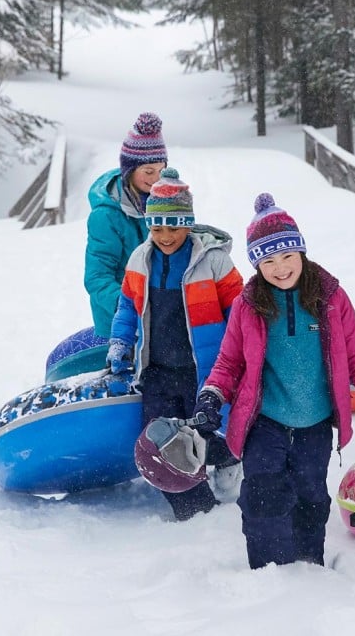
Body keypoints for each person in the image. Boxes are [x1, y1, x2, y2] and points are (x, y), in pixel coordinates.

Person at [191, 193, 355, 569]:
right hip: (266, 421)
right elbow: (229, 362)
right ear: (257, 264)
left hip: (315, 423)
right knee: (262, 495)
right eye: (268, 260)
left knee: (310, 495)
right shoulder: (248, 304)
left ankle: (308, 568)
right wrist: (211, 396)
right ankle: (269, 572)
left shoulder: (331, 298)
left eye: (287, 256)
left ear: (301, 253)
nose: (280, 268)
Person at [106, 168, 244, 521]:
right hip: (159, 371)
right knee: (162, 442)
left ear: (189, 223)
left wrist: (244, 356)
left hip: (205, 371)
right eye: (156, 227)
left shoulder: (212, 261)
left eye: (173, 226)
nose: (164, 235)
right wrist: (121, 342)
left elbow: (241, 311)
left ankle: (229, 460)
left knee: (210, 433)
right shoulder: (140, 259)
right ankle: (195, 511)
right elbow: (127, 306)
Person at [84, 112, 168, 340]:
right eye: (148, 172)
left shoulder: (165, 201)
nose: (155, 179)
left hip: (160, 313)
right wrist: (132, 308)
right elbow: (97, 277)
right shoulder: (106, 216)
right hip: (120, 321)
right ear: (129, 170)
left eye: (161, 170)